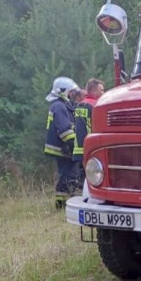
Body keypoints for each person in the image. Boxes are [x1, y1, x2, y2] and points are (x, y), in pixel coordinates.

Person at [44, 76, 79, 209]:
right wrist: (73, 145)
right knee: (67, 176)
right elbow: (64, 130)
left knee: (69, 175)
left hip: (64, 147)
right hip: (63, 148)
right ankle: (60, 205)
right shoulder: (59, 106)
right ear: (64, 92)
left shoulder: (63, 106)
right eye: (72, 92)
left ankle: (65, 203)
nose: (73, 95)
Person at [72, 78, 105, 186]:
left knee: (83, 181)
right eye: (101, 90)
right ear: (94, 91)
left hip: (78, 148)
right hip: (92, 148)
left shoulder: (79, 105)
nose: (103, 93)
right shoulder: (96, 105)